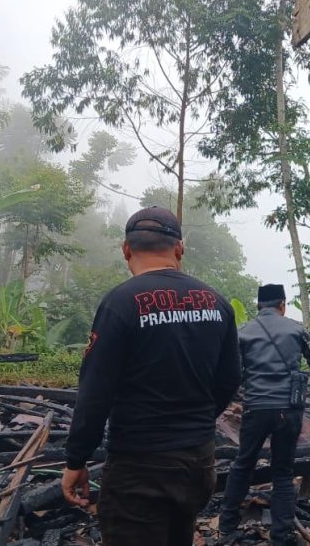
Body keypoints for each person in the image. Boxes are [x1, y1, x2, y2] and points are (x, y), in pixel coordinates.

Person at [61, 206, 241, 546]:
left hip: (139, 468)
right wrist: (196, 421)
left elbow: (95, 392)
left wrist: (76, 460)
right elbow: (230, 378)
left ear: (127, 250)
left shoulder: (120, 303)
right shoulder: (217, 303)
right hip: (198, 463)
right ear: (179, 249)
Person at [219, 284, 310, 545]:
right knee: (283, 471)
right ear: (283, 304)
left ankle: (226, 527)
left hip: (256, 407)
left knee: (243, 464)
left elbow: (233, 372)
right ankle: (281, 535)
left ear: (258, 306)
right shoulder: (296, 328)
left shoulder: (242, 331)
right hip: (288, 410)